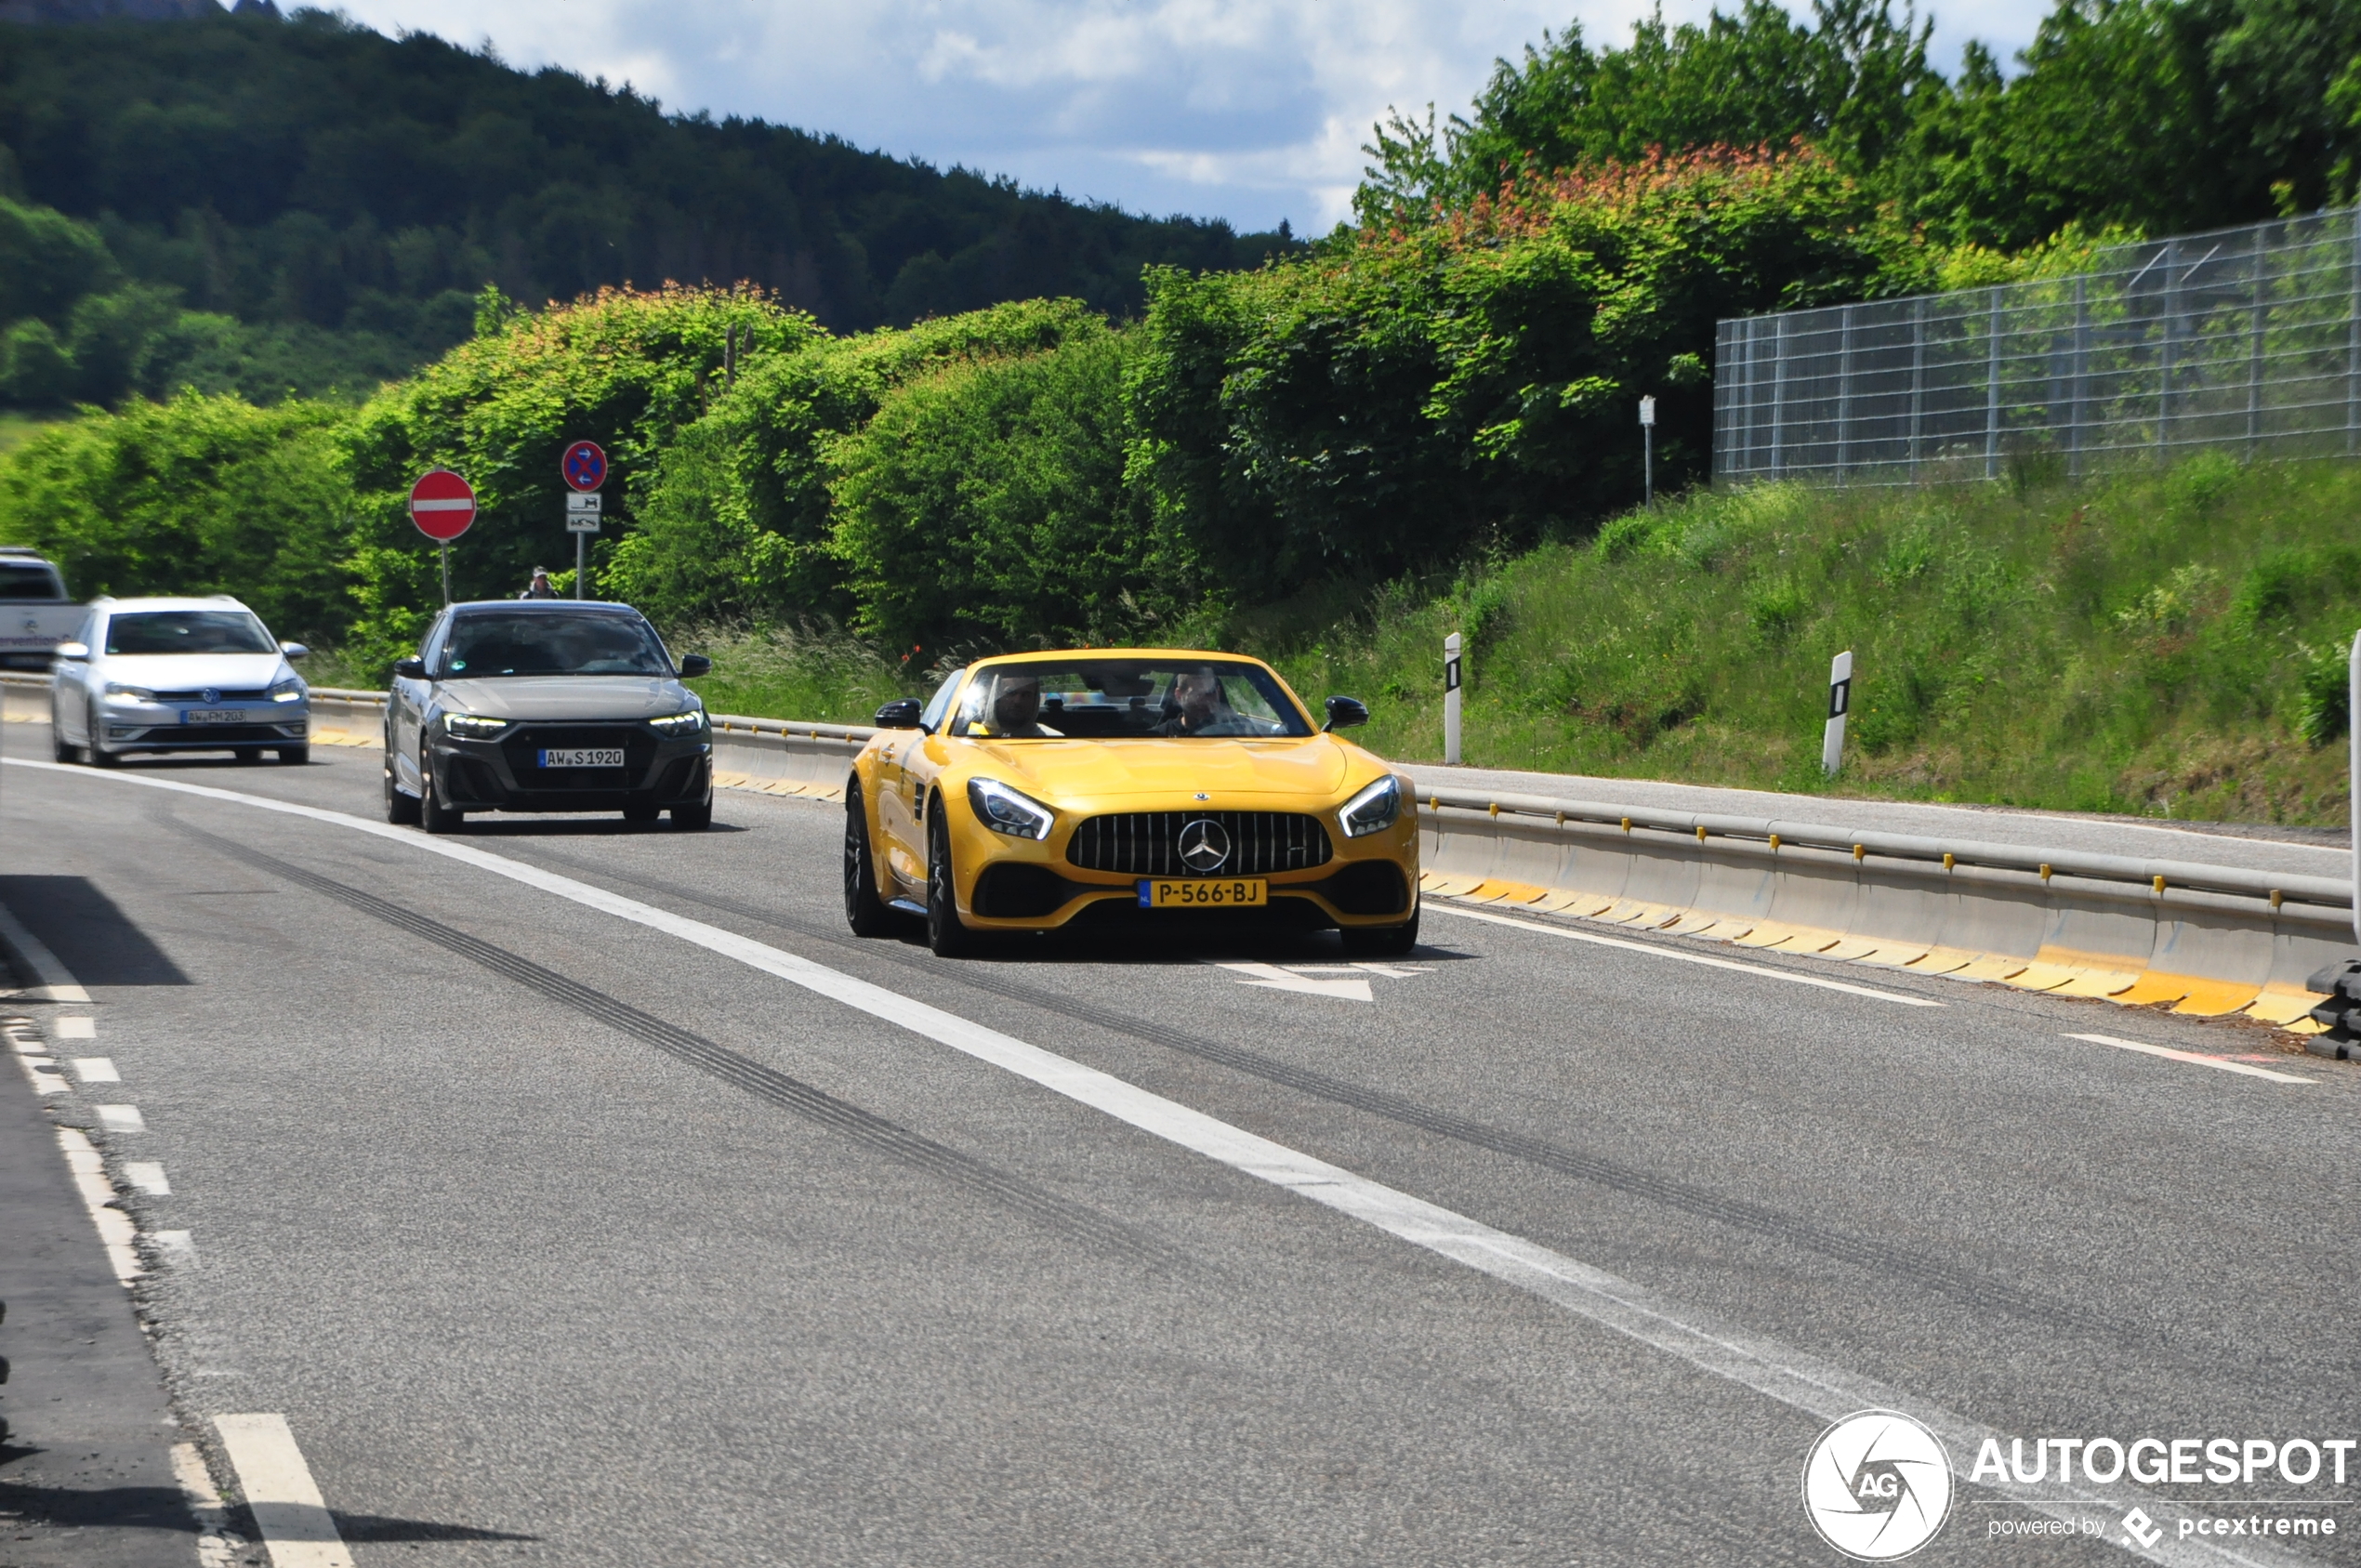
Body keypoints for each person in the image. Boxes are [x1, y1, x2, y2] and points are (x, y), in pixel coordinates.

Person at [1158, 666, 1233, 735]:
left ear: (1218, 693)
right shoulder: (1158, 738)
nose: (1204, 701)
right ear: (1179, 696)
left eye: (1209, 693)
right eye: (1196, 694)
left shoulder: (1236, 732)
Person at [987, 672, 1062, 737]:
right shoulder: (977, 737)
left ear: (1035, 700)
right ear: (996, 695)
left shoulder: (1054, 742)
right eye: (1011, 693)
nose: (1017, 701)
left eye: (1026, 695)